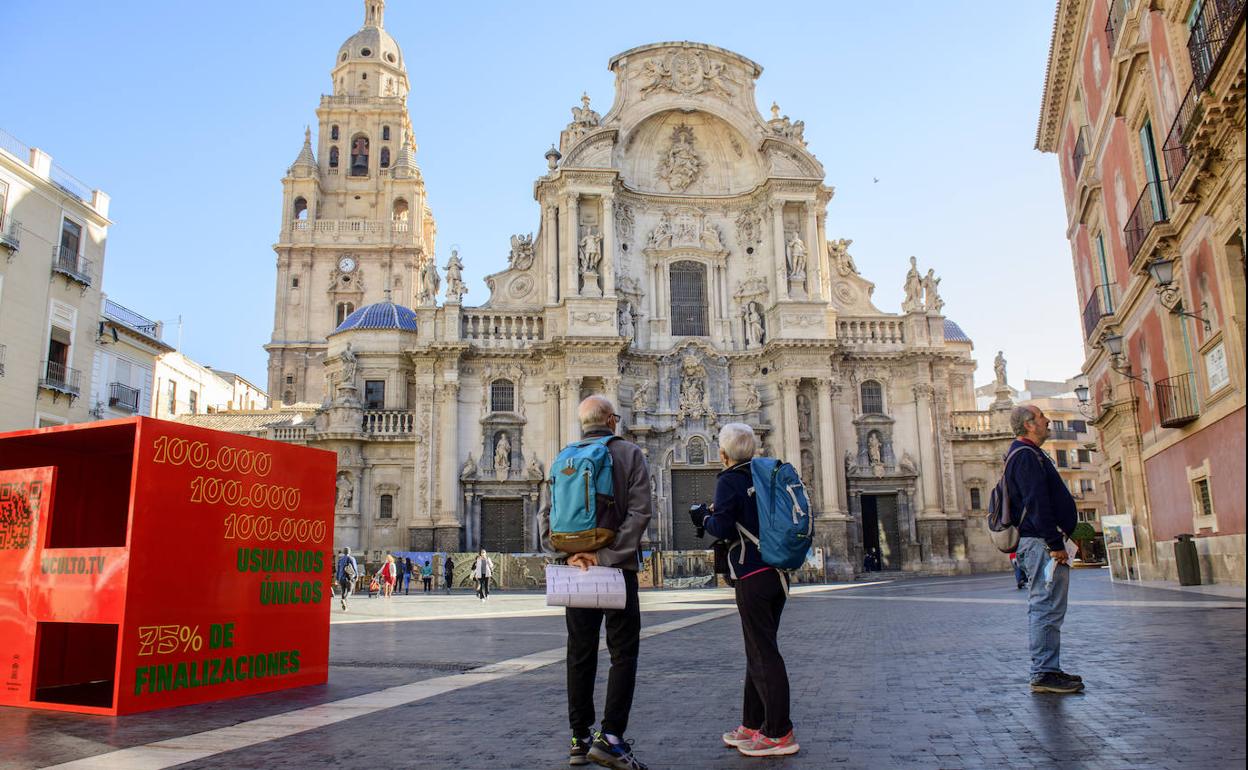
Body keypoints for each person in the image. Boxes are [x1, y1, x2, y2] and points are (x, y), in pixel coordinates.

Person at [540, 396, 653, 770]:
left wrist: (568, 556)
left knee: (580, 652)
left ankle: (579, 738)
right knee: (623, 654)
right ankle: (612, 737)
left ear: (583, 423)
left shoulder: (564, 455)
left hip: (576, 572)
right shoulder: (630, 454)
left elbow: (546, 515)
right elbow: (639, 513)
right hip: (617, 570)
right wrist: (606, 557)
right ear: (612, 420)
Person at [695, 423, 799, 757]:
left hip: (752, 573)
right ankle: (753, 724)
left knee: (763, 652)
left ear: (723, 454)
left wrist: (702, 518)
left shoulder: (729, 479)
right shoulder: (765, 475)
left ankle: (779, 732)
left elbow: (723, 526)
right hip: (776, 573)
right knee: (758, 650)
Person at [1006, 405, 1082, 694]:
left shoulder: (1028, 453)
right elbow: (1037, 502)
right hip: (1041, 544)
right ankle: (1043, 673)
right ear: (1028, 424)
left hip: (1042, 543)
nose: (1047, 421)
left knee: (1049, 607)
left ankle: (1050, 668)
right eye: (1041, 418)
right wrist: (1055, 544)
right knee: (1045, 607)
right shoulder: (1025, 456)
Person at [335, 547, 358, 612]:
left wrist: (337, 579)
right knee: (349, 591)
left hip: (341, 578)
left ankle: (344, 607)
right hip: (349, 578)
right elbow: (354, 568)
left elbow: (338, 570)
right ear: (349, 552)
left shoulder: (340, 559)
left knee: (343, 591)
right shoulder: (351, 558)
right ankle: (344, 600)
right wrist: (357, 576)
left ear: (343, 552)